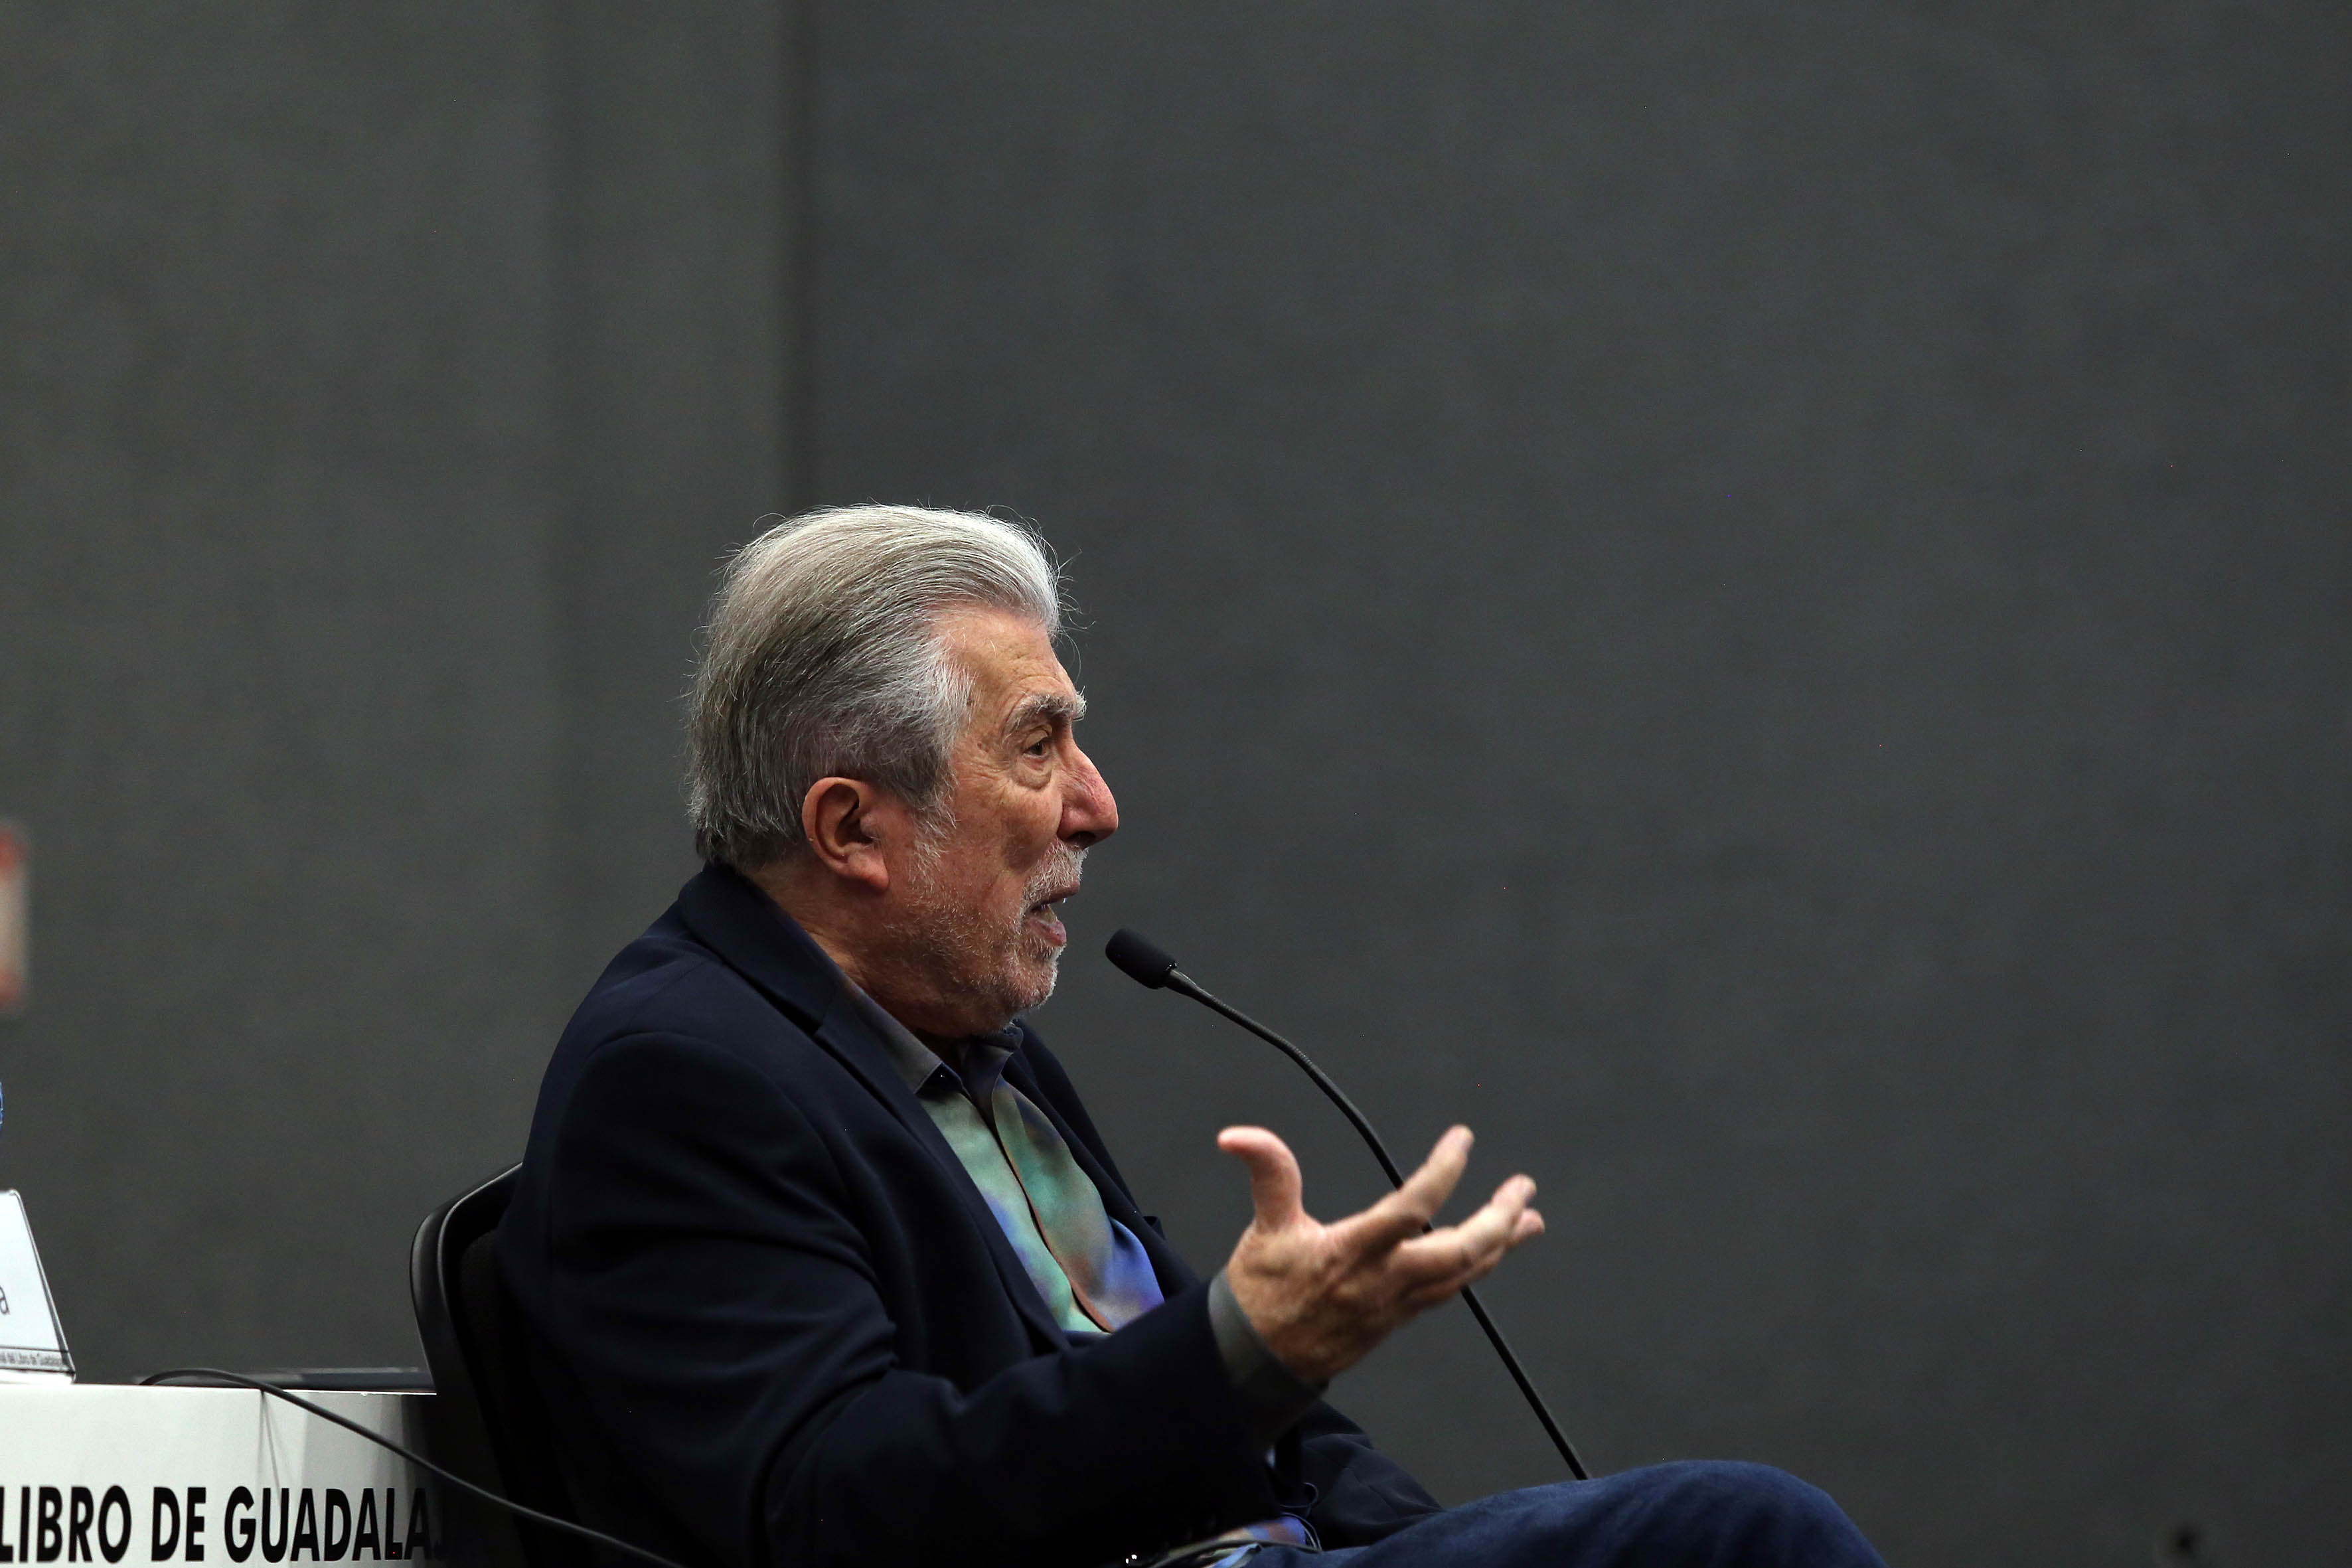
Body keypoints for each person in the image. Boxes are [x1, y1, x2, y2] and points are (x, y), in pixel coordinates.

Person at [499, 506, 1887, 1568]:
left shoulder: (965, 1040)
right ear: (852, 825)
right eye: (1036, 746)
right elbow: (833, 1510)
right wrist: (1242, 1352)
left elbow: (1251, 1423)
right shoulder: (681, 1075)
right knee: (1740, 1534)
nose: (1097, 805)